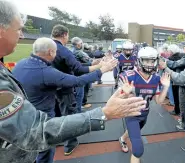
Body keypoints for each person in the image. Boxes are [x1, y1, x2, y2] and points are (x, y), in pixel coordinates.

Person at [0, 1, 147, 162]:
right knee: (46, 149)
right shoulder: (45, 72)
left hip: (34, 114)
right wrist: (103, 112)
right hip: (35, 126)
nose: (21, 35)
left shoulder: (21, 64)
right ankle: (70, 145)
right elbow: (37, 131)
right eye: (19, 29)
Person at [12, 37, 116, 163]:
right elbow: (77, 81)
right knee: (45, 154)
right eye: (55, 52)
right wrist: (102, 70)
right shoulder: (46, 72)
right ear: (51, 52)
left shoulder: (21, 64)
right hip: (42, 121)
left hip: (24, 118)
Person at [51, 25, 104, 155]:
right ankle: (70, 145)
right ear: (64, 35)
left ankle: (56, 138)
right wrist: (101, 67)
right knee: (69, 116)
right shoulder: (63, 50)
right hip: (64, 88)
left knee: (55, 114)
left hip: (50, 88)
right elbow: (78, 69)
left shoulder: (47, 47)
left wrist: (92, 63)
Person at [118, 47, 170, 163]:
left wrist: (166, 87)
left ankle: (122, 138)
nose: (150, 64)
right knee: (138, 150)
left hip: (144, 115)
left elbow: (158, 101)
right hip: (131, 114)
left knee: (133, 131)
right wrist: (125, 95)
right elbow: (117, 101)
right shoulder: (129, 76)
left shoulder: (156, 78)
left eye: (152, 61)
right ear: (139, 61)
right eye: (146, 61)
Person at [164, 40, 185, 131]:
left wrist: (164, 62)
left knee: (183, 105)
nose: (184, 48)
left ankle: (184, 124)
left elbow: (175, 64)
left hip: (183, 83)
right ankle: (184, 121)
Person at [167, 44, 185, 116]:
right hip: (182, 78)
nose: (168, 52)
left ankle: (177, 110)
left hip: (175, 79)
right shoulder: (182, 55)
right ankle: (180, 111)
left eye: (169, 51)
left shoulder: (172, 58)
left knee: (176, 96)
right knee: (182, 98)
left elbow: (169, 68)